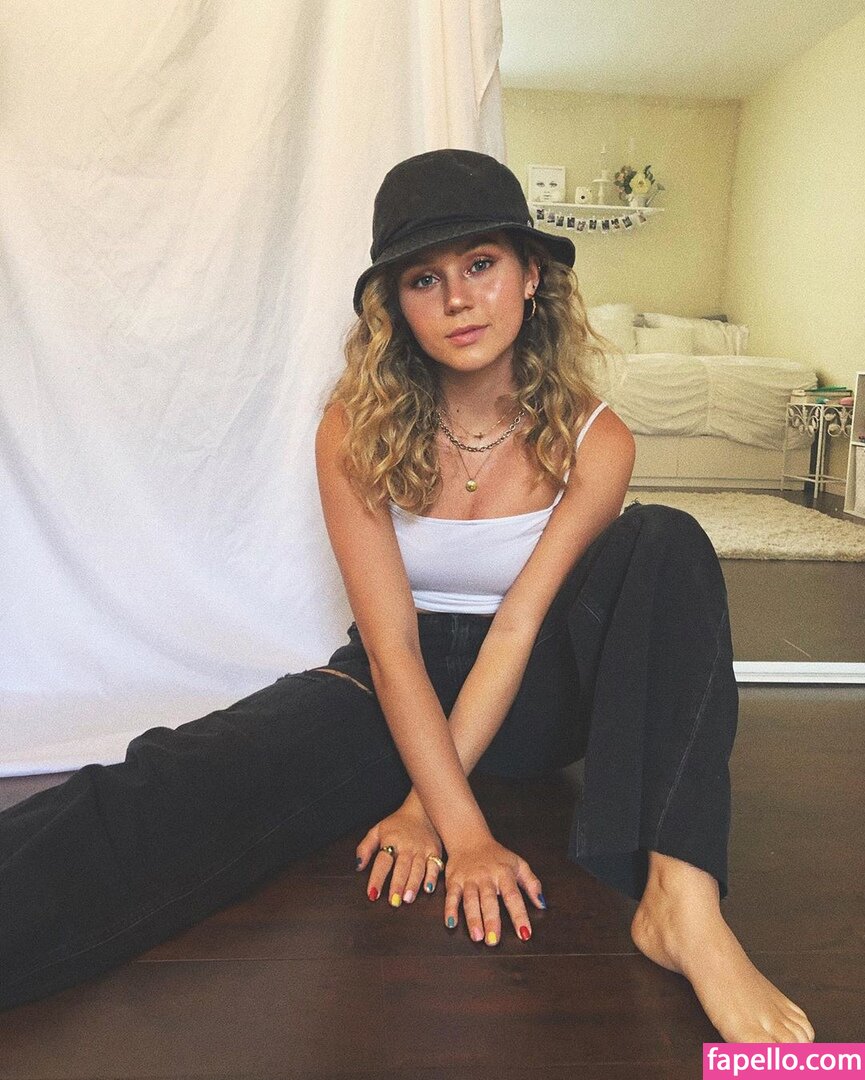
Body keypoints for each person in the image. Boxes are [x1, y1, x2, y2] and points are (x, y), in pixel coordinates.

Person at [0, 149, 813, 1044]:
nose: (457, 298)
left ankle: (682, 905)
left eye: (480, 264)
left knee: (667, 538)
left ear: (530, 274)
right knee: (177, 776)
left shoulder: (597, 439)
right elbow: (390, 649)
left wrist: (437, 818)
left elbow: (516, 627)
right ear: (395, 303)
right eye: (425, 278)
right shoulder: (352, 426)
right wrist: (459, 822)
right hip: (394, 685)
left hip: (534, 692)